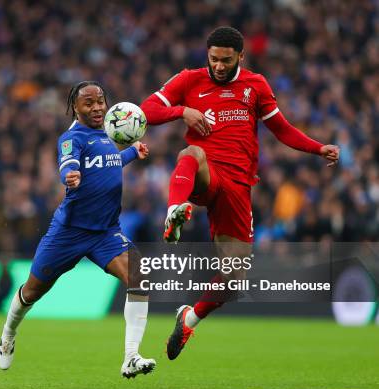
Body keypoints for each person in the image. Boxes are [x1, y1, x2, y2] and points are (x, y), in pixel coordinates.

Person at [140, 27, 339, 361]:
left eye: (226, 60)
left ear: (240, 57)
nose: (218, 65)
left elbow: (281, 129)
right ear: (207, 55)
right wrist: (182, 111)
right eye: (214, 59)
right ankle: (176, 209)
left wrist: (318, 149)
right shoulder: (188, 80)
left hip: (238, 186)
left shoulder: (255, 85)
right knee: (191, 154)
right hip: (207, 174)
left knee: (234, 279)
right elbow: (147, 110)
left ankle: (189, 319)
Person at [0, 81, 154, 378]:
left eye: (100, 101)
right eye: (89, 103)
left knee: (139, 276)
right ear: (75, 108)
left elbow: (108, 164)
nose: (97, 108)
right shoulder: (73, 137)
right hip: (68, 233)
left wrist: (132, 152)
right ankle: (7, 335)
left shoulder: (107, 135)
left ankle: (131, 356)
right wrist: (69, 175)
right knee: (31, 292)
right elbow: (67, 162)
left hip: (105, 232)